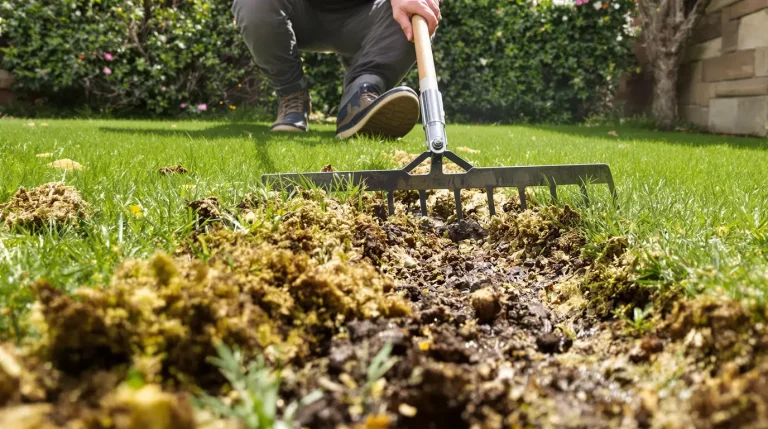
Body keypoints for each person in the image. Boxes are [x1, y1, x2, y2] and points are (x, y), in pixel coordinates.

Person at [231, 0, 441, 139]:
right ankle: (291, 95)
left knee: (418, 10)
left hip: (369, 15)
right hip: (299, 11)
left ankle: (360, 97)